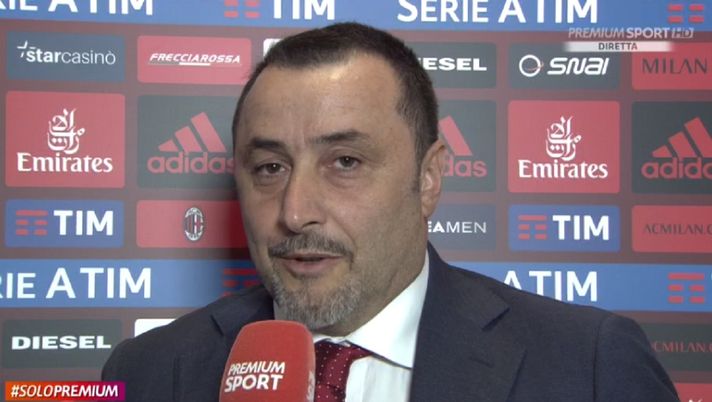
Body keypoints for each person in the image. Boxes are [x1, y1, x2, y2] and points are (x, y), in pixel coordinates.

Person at [102, 22, 679, 401]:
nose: (295, 212)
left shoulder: (590, 366)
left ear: (428, 179)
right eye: (270, 167)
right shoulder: (149, 371)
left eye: (345, 162)